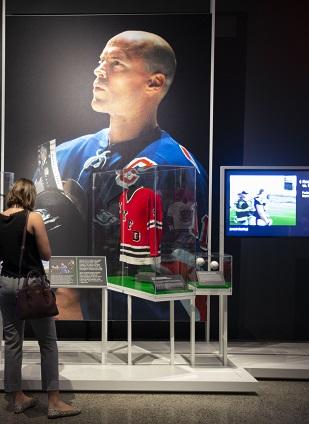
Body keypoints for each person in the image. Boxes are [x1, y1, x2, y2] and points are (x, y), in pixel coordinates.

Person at [44, 30, 209, 320]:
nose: (99, 70)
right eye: (101, 61)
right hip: (66, 323)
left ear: (153, 82)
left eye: (116, 63)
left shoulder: (175, 168)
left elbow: (174, 277)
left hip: (142, 336)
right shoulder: (62, 157)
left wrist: (79, 302)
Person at [0, 178, 80, 419]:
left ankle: (17, 398)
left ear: (11, 194)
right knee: (47, 342)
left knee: (12, 341)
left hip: (6, 283)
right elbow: (47, 253)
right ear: (29, 196)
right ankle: (54, 402)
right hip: (32, 286)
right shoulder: (33, 218)